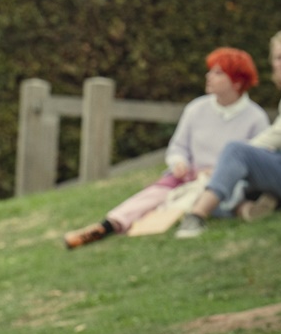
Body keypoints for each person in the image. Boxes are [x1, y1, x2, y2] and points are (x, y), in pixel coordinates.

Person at [64, 47, 270, 248]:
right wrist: (179, 162)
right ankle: (105, 226)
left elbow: (257, 161)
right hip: (186, 177)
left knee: (198, 199)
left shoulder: (255, 118)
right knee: (154, 194)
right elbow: (178, 147)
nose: (209, 76)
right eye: (210, 71)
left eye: (218, 73)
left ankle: (237, 210)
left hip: (222, 185)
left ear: (237, 81)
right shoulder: (196, 109)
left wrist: (217, 172)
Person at [177, 29, 281, 238]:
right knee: (223, 183)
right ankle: (246, 208)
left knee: (234, 153)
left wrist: (227, 163)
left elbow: (278, 137)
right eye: (279, 58)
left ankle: (196, 216)